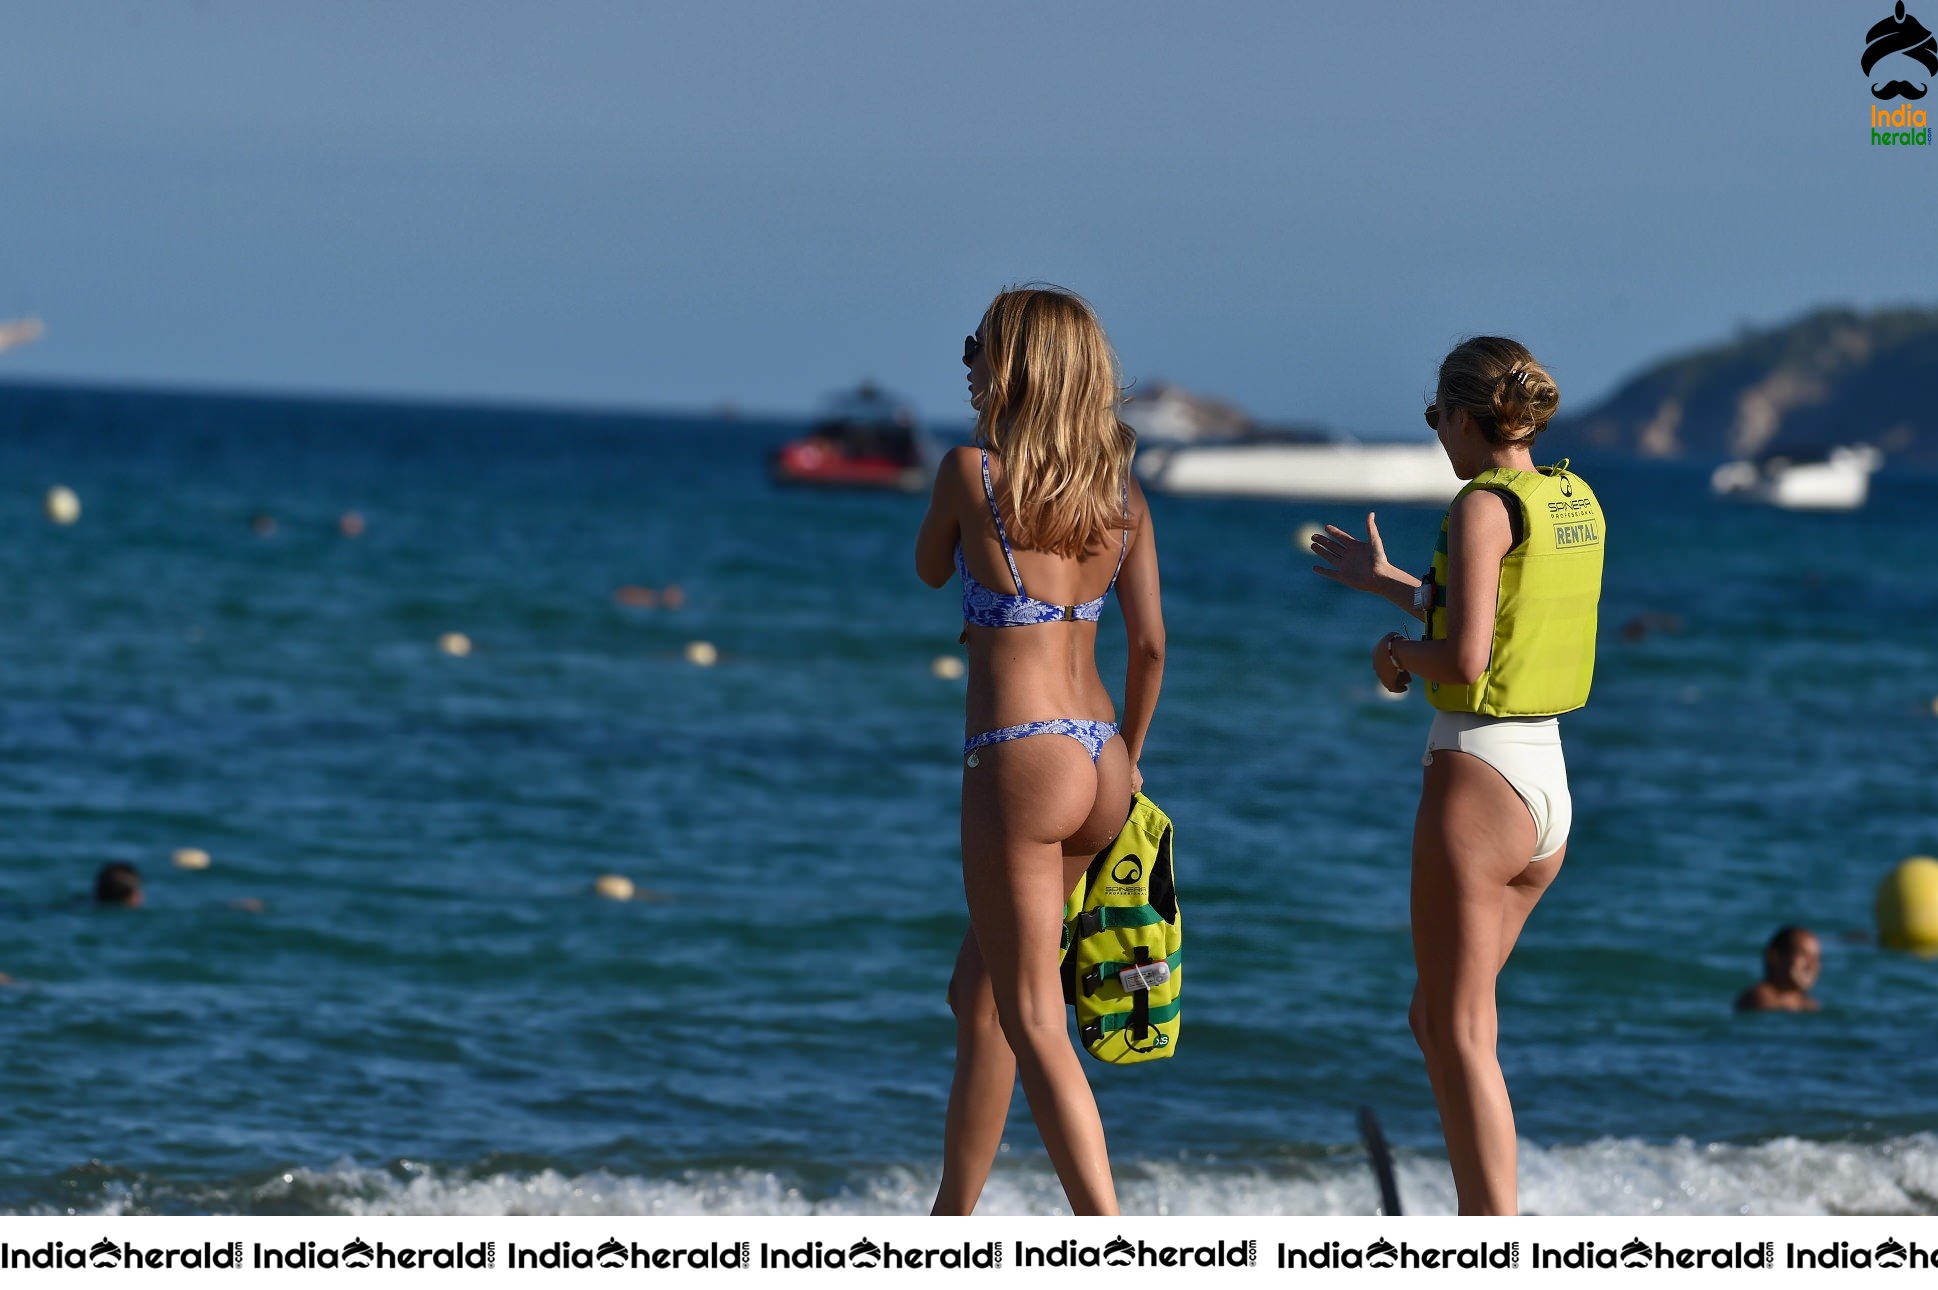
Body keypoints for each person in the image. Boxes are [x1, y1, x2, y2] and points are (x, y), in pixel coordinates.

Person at [1310, 336, 1604, 1216]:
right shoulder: (1569, 495)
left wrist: (1396, 654)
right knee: (1439, 1021)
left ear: (1467, 418)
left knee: (1461, 1030)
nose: (1436, 431)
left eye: (1437, 415)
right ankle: (1492, 1220)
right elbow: (1504, 617)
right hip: (1546, 782)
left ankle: (1492, 1242)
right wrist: (1393, 583)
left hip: (1479, 775)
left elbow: (1467, 654)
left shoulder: (1480, 503)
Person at [915, 286, 1164, 1216]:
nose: (967, 355)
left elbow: (931, 566)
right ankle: (951, 1222)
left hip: (1019, 757)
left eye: (979, 343)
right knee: (976, 996)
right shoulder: (1122, 496)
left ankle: (1110, 1236)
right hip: (1102, 758)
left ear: (1014, 367)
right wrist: (1130, 762)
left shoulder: (970, 472)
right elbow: (1150, 649)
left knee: (1030, 1015)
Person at [1735, 925, 1822, 1012]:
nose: (1812, 965)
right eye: (1803, 955)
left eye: (1816, 958)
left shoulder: (1807, 1002)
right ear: (1775, 957)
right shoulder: (1760, 998)